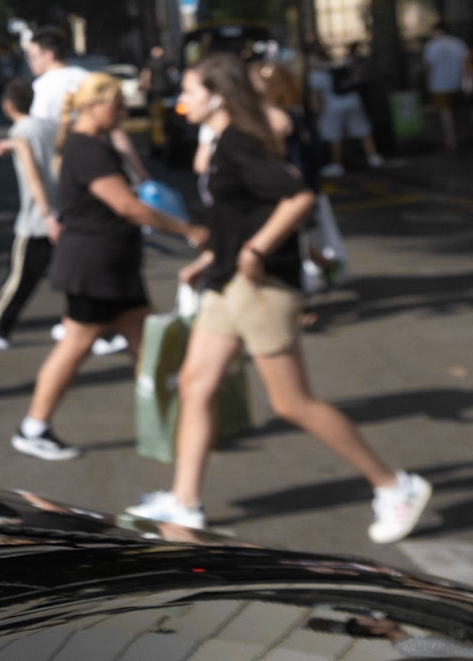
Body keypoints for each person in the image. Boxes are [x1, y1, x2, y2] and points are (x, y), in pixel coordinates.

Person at [127, 55, 432, 543]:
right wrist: (212, 260)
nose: (181, 102)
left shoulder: (238, 144)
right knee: (194, 384)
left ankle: (395, 485)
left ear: (218, 96)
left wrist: (255, 249)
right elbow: (240, 214)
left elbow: (299, 197)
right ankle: (185, 503)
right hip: (226, 283)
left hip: (262, 288)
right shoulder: (224, 142)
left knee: (292, 402)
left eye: (189, 92)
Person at [11, 72, 207, 461]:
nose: (123, 110)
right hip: (94, 268)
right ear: (93, 105)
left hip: (113, 267)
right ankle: (33, 427)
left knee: (143, 345)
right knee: (76, 345)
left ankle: (172, 423)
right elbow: (127, 206)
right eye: (117, 104)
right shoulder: (86, 149)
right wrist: (187, 229)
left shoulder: (92, 143)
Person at [29, 26, 139, 356]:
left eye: (33, 55)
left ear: (49, 54)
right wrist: (140, 173)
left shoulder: (47, 89)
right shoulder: (84, 76)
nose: (31, 61)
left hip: (68, 183)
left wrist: (44, 206)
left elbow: (35, 142)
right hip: (96, 187)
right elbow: (118, 134)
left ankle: (86, 326)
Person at [0, 79, 59, 351]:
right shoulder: (46, 126)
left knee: (19, 278)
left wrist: (46, 213)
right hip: (61, 210)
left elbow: (33, 178)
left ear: (7, 106)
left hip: (38, 219)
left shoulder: (20, 132)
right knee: (71, 274)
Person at [307, 42, 381, 177]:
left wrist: (317, 114)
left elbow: (316, 97)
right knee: (363, 130)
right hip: (353, 100)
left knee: (334, 136)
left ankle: (337, 165)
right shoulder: (337, 66)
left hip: (332, 106)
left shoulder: (316, 74)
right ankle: (374, 157)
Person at [421, 23, 470, 153]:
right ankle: (462, 137)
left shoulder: (432, 46)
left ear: (438, 31)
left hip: (439, 84)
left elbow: (430, 67)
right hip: (458, 82)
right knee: (459, 111)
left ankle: (450, 140)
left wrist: (428, 83)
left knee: (445, 113)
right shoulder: (459, 44)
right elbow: (466, 64)